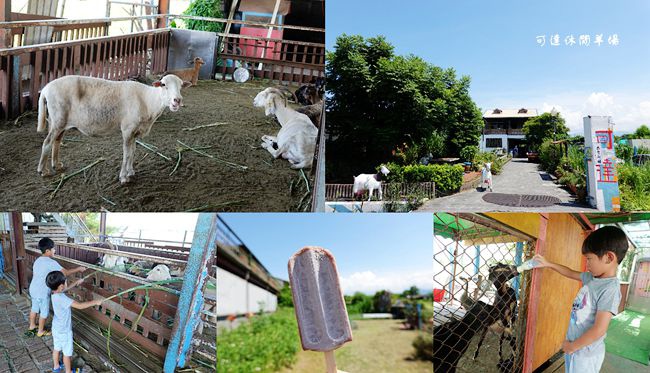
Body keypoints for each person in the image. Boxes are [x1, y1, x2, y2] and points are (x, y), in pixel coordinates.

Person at [532, 226, 628, 373]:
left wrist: (573, 346)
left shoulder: (610, 289)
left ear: (609, 257)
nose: (587, 264)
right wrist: (548, 264)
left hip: (586, 353)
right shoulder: (592, 278)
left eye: (589, 259)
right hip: (576, 348)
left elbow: (599, 329)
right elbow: (570, 272)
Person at [28, 238, 86, 336]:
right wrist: (78, 269)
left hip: (33, 289)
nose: (55, 251)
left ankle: (32, 326)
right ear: (47, 251)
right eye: (53, 249)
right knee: (44, 312)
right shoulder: (51, 262)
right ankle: (40, 331)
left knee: (34, 308)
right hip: (42, 292)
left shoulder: (38, 260)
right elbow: (65, 272)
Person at [46, 271, 102, 373]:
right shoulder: (62, 298)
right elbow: (80, 306)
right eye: (65, 282)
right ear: (61, 286)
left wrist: (77, 282)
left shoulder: (54, 293)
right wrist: (95, 302)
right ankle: (68, 371)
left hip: (56, 328)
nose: (66, 283)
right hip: (65, 331)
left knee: (56, 348)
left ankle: (56, 367)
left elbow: (65, 288)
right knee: (67, 355)